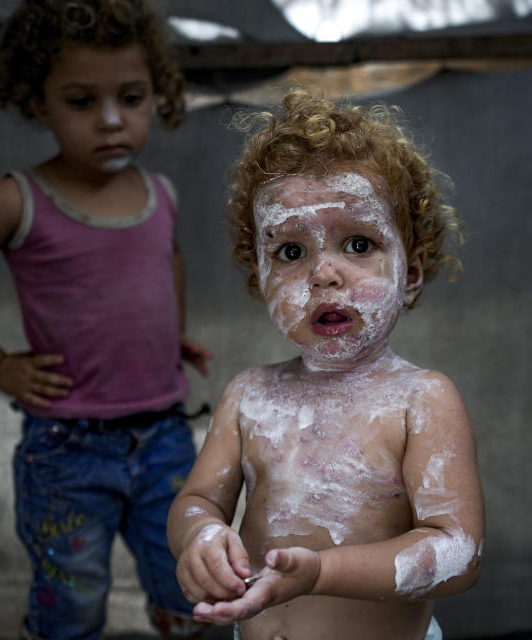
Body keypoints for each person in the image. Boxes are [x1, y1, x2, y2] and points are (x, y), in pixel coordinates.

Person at [0, 1, 211, 638]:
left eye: (132, 96)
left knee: (192, 586)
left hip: (165, 439)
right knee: (71, 604)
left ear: (159, 94)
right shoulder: (18, 200)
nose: (113, 120)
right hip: (68, 452)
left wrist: (164, 332)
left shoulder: (162, 195)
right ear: (39, 104)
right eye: (81, 101)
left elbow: (166, 260)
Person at [167, 88, 485, 640]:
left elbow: (457, 550)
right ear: (259, 275)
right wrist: (199, 538)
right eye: (291, 252)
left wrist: (319, 572)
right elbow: (196, 501)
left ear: (410, 274)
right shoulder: (249, 396)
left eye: (358, 244)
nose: (324, 274)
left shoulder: (421, 400)